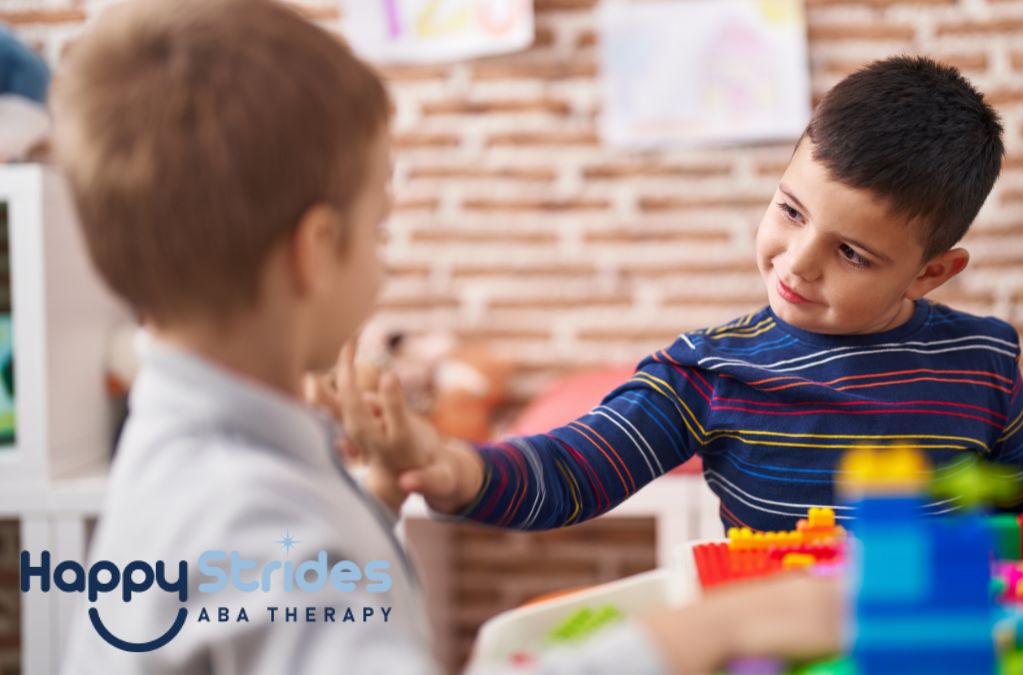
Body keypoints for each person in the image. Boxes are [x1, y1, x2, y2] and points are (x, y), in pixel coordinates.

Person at [53, 1, 839, 673]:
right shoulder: (257, 520)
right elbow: (280, 565)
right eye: (378, 227)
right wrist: (712, 626)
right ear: (315, 250)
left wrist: (375, 501)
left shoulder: (194, 462)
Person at [354, 56, 1023, 534]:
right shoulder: (708, 373)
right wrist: (452, 466)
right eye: (790, 210)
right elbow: (571, 469)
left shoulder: (984, 362)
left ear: (932, 272)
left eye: (850, 252)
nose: (797, 262)